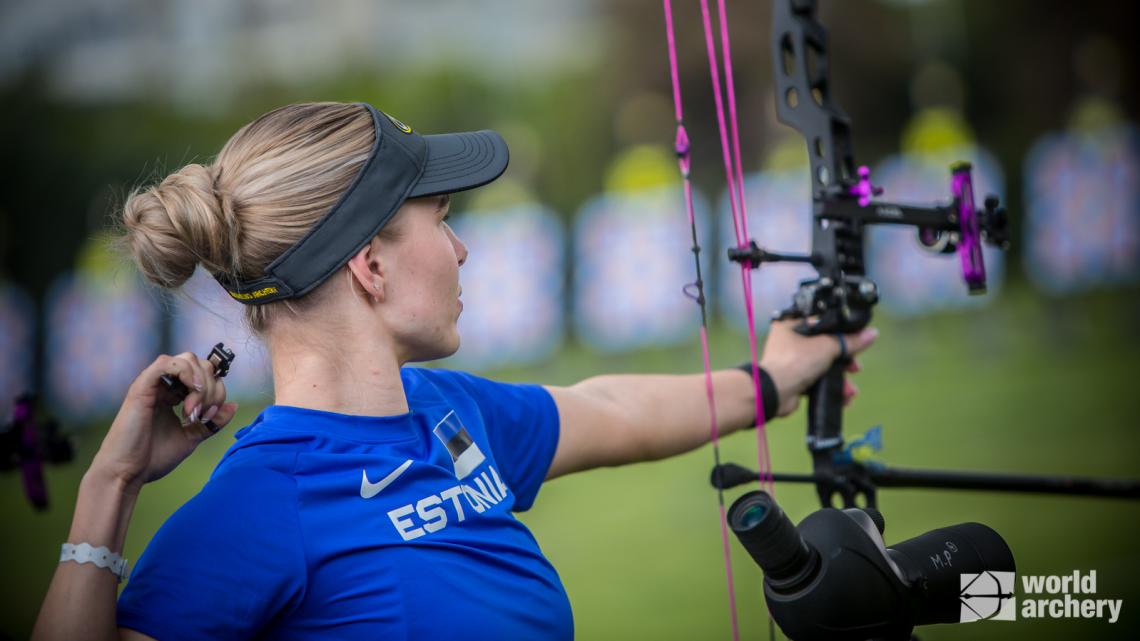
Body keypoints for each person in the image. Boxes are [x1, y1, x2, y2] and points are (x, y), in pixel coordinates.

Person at [32, 102, 877, 641]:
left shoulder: (445, 410)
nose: (463, 246)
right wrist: (111, 485)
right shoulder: (263, 504)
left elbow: (610, 407)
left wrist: (770, 378)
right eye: (441, 219)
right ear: (370, 265)